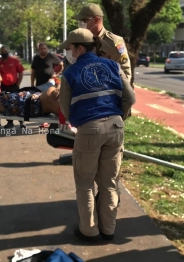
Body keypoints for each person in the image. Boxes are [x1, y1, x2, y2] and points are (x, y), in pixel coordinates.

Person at [58, 28, 135, 241]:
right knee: (110, 182)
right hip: (116, 127)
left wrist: (78, 121)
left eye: (71, 48)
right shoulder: (113, 65)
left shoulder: (70, 73)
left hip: (89, 129)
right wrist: (119, 114)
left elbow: (64, 107)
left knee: (85, 183)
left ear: (80, 48)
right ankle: (108, 229)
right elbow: (131, 97)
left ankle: (89, 231)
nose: (69, 53)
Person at [71, 3, 132, 82]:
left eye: (84, 20)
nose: (80, 24)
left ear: (96, 20)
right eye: (80, 21)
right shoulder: (80, 41)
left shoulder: (114, 42)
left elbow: (125, 74)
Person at [31, 43, 63, 128]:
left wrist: (57, 73)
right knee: (41, 103)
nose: (43, 50)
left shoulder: (51, 57)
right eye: (41, 49)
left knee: (52, 100)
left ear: (47, 49)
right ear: (39, 50)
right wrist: (31, 84)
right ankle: (44, 121)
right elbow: (33, 72)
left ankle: (56, 122)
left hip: (50, 83)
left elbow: (61, 64)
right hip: (39, 84)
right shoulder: (36, 58)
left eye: (44, 48)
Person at [0, 46, 26, 129]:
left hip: (14, 86)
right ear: (1, 53)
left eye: (5, 51)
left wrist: (18, 84)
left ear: (8, 51)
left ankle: (21, 122)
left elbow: (21, 72)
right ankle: (10, 123)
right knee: (7, 104)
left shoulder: (15, 61)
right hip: (4, 87)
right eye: (3, 52)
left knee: (18, 102)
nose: (4, 53)